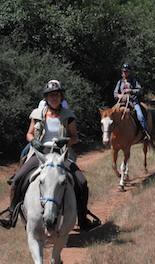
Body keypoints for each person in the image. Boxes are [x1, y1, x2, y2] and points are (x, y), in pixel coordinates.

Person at [0, 80, 100, 231]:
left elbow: (75, 137)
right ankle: (12, 214)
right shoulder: (37, 114)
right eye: (51, 95)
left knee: (82, 182)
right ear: (46, 98)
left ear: (61, 97)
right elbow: (28, 133)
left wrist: (65, 140)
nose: (54, 98)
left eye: (57, 95)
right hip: (40, 154)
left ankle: (82, 217)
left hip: (60, 155)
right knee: (17, 180)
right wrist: (33, 141)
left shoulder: (68, 116)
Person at [114, 63, 151, 140]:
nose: (125, 73)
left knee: (140, 116)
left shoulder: (134, 81)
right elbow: (115, 93)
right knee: (111, 115)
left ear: (129, 72)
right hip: (121, 103)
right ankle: (110, 134)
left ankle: (145, 132)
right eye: (124, 71)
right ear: (122, 72)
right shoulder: (120, 82)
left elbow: (140, 90)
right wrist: (118, 95)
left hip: (133, 102)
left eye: (126, 71)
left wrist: (131, 90)